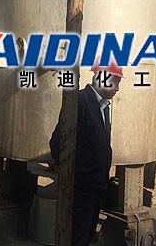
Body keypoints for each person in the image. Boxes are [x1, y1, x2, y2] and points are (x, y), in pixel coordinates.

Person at [50, 59, 123, 245]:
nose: (117, 89)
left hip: (96, 187)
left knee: (88, 236)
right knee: (77, 236)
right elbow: (58, 141)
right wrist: (72, 173)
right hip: (81, 188)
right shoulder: (80, 102)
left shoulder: (103, 106)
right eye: (116, 82)